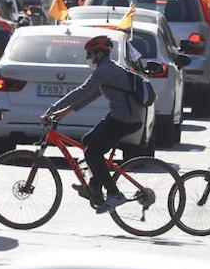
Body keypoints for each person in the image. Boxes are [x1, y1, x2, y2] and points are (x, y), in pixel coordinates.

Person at [45, 35, 146, 213]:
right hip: (123, 117)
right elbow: (91, 96)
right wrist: (63, 112)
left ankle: (114, 194)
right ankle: (94, 187)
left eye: (91, 54)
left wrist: (52, 108)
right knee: (87, 141)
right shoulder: (109, 69)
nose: (90, 58)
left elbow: (82, 91)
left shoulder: (104, 71)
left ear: (100, 53)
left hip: (125, 120)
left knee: (92, 153)